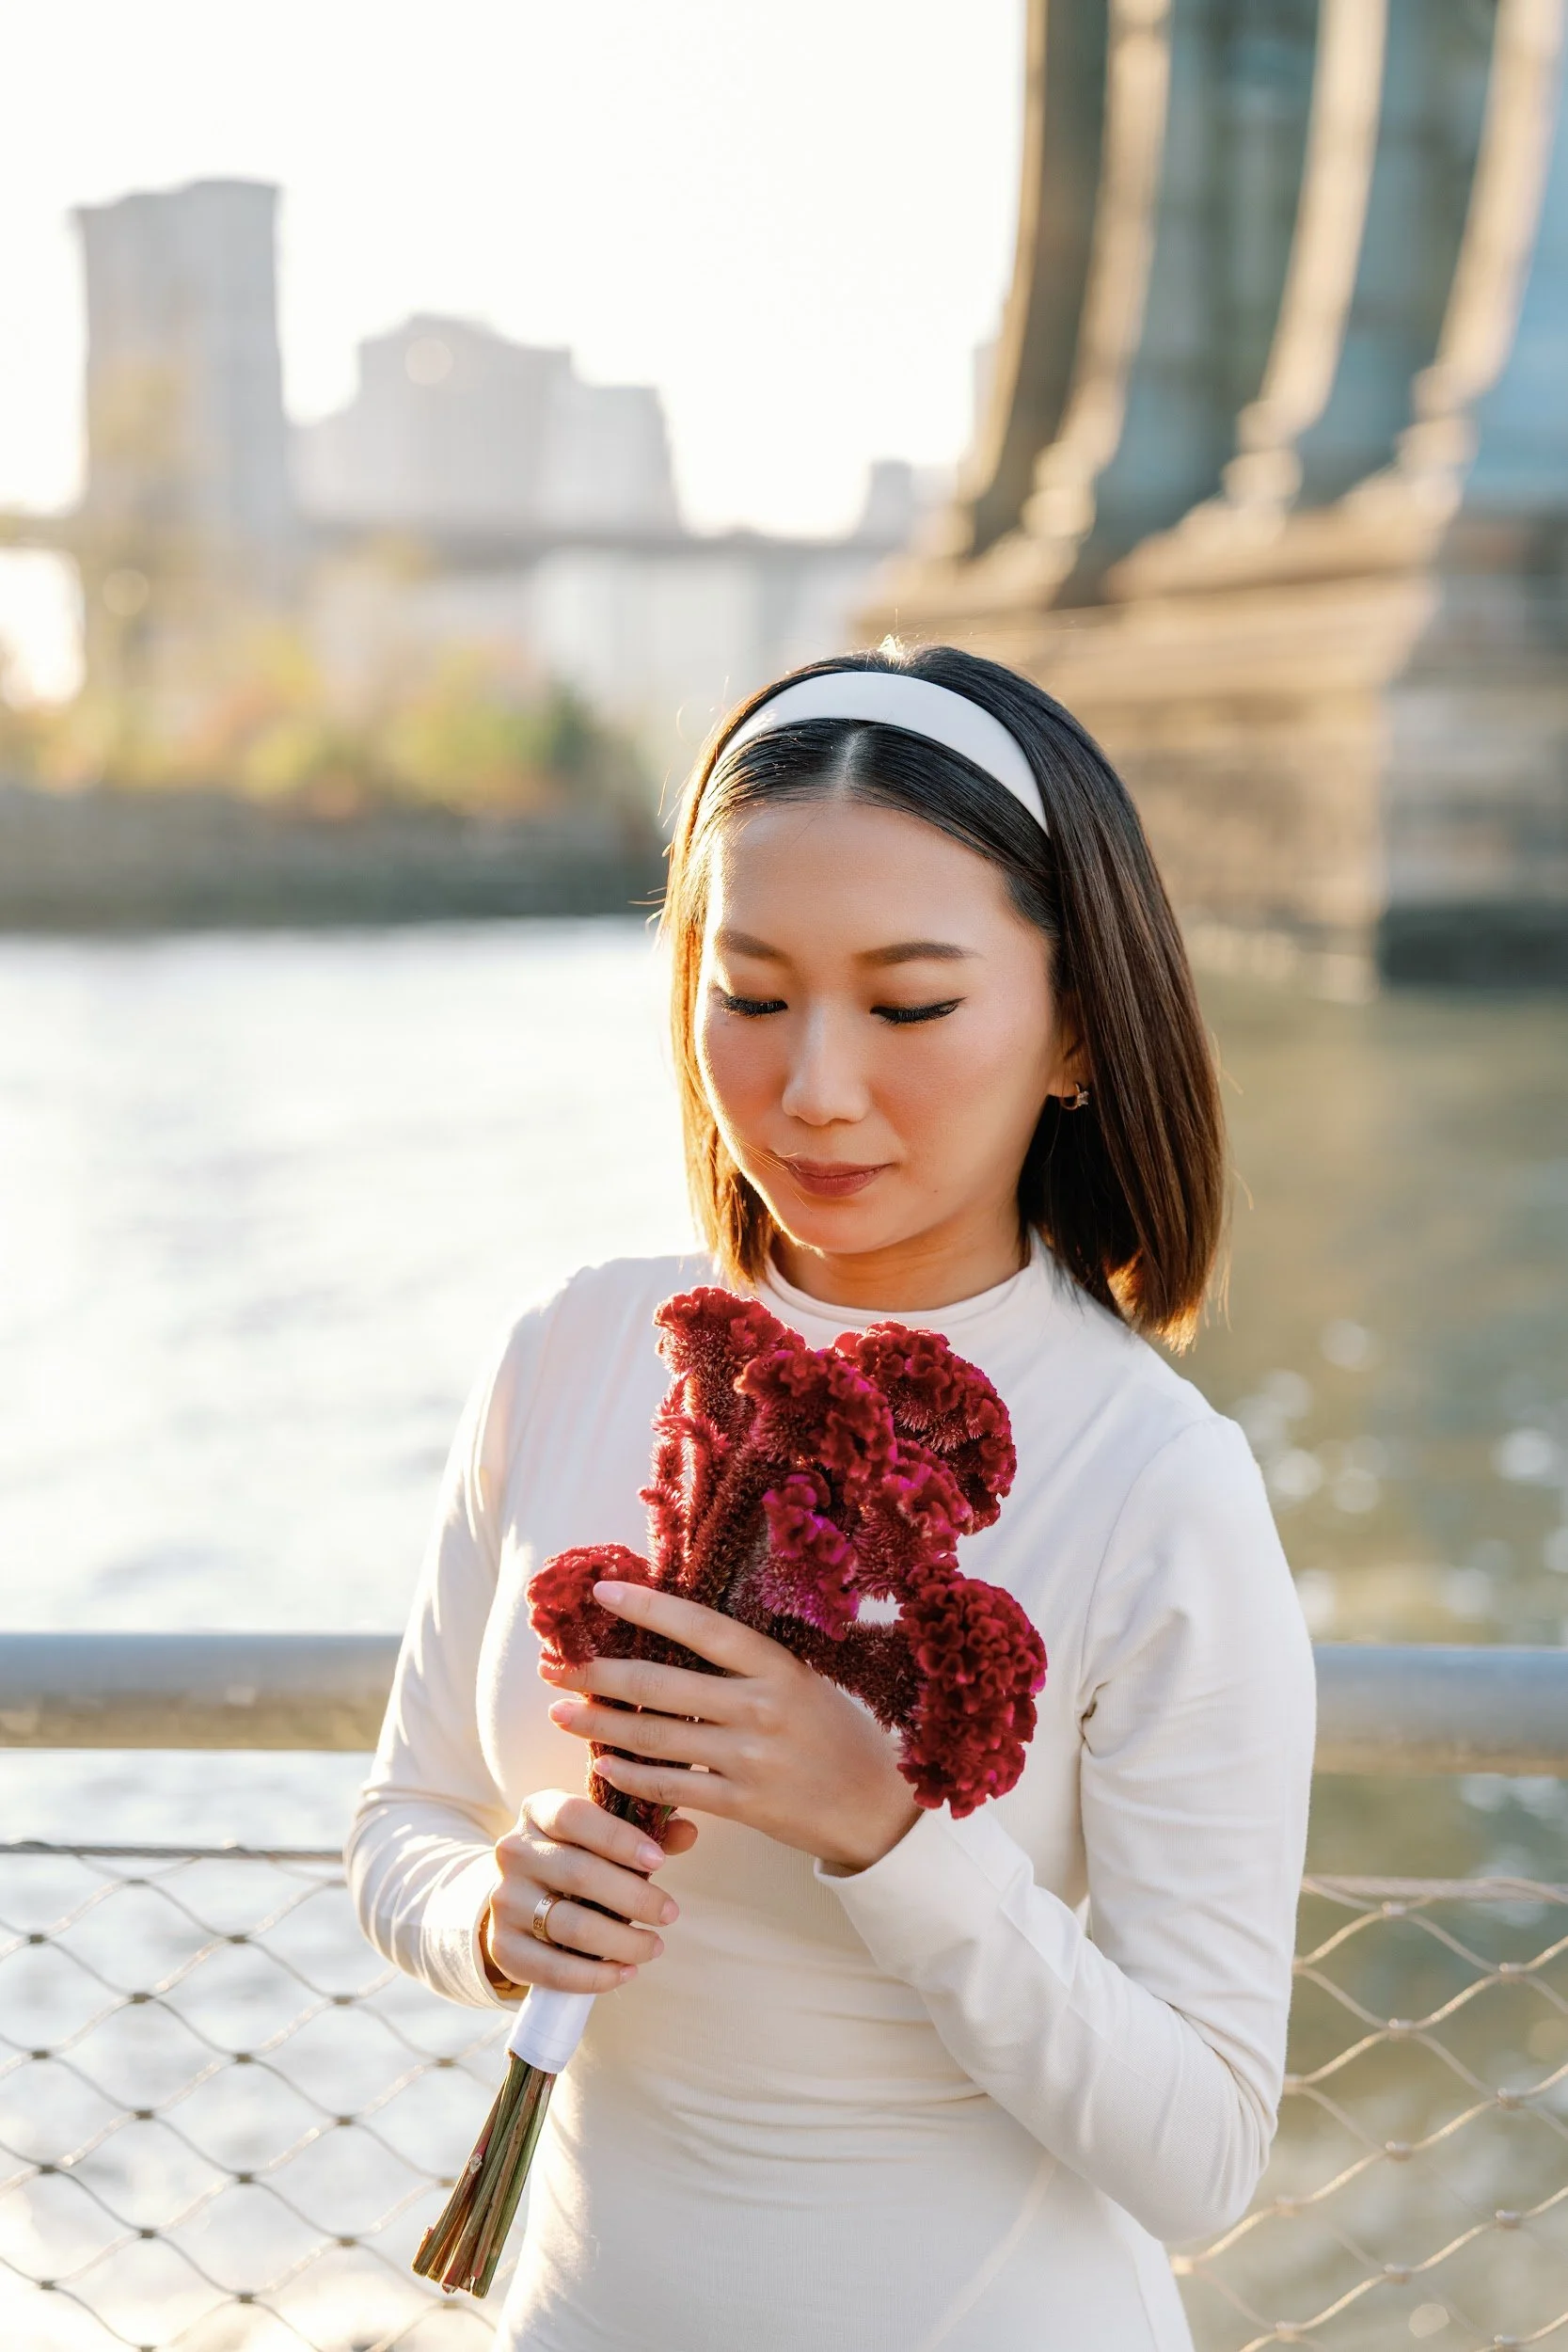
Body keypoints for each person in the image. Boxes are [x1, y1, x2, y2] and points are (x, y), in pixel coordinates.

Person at [348, 643, 1315, 2351]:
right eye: (750, 989)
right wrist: (490, 1920)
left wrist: (882, 1829)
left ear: (1074, 1020)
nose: (813, 1088)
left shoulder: (1155, 1475)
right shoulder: (577, 1346)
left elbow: (1204, 2151)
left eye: (911, 1004)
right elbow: (402, 1824)